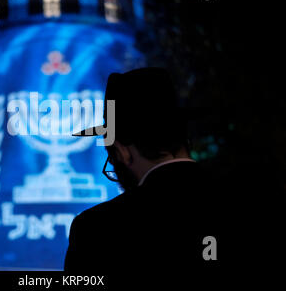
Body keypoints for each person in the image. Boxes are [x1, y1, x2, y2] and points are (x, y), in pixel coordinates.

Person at [64, 68, 219, 273]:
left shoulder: (97, 229)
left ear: (122, 152)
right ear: (185, 139)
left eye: (111, 159)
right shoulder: (258, 203)